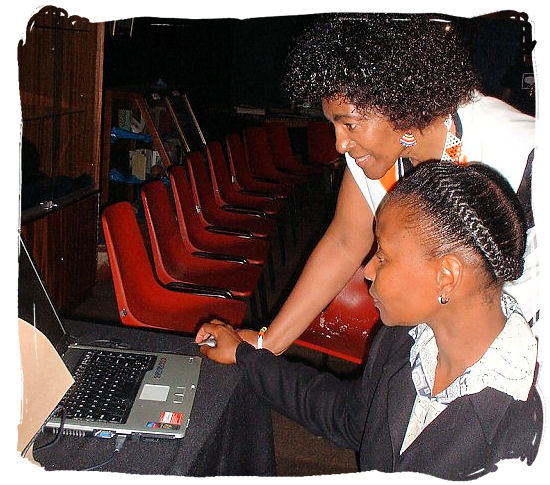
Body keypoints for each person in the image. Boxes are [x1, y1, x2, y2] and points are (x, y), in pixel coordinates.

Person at [196, 162, 542, 480]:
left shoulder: (526, 423)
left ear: (446, 277)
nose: (369, 271)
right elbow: (349, 416)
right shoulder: (403, 341)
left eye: (383, 256)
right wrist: (246, 355)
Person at [230, 13, 538, 355]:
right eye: (334, 125)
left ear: (399, 106)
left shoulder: (522, 153)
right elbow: (344, 243)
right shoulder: (377, 155)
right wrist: (265, 343)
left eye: (350, 125)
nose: (339, 144)